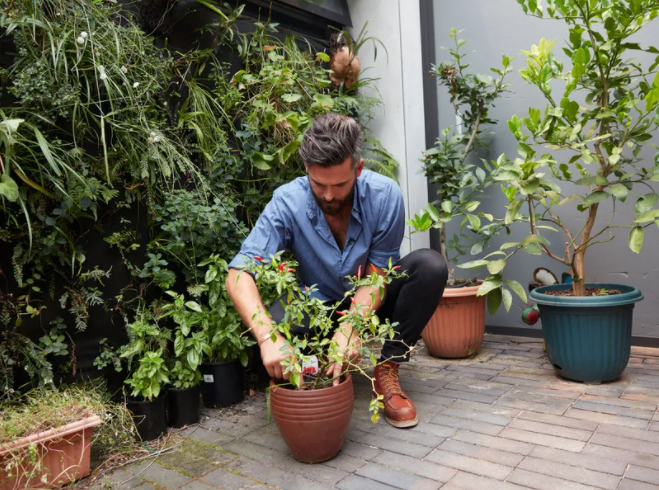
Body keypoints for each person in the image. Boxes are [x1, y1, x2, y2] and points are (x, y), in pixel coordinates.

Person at [226, 112, 448, 428]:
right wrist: (266, 336)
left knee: (429, 266)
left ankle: (387, 368)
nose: (329, 196)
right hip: (317, 311)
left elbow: (377, 276)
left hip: (372, 306)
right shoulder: (286, 203)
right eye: (319, 184)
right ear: (306, 169)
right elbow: (238, 274)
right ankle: (308, 373)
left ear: (358, 168)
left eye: (340, 184)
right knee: (274, 313)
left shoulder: (385, 196)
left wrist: (352, 327)